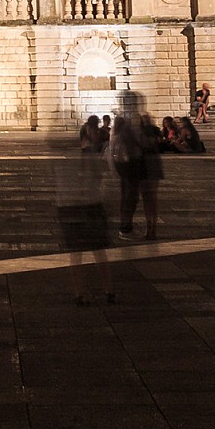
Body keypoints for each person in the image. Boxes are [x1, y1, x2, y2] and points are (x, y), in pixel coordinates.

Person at [53, 122, 116, 304]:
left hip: (70, 208)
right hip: (91, 207)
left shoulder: (62, 162)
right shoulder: (94, 158)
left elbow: (61, 187)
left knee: (76, 254)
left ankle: (79, 293)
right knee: (98, 252)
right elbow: (102, 183)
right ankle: (108, 290)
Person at [109, 92, 162, 239]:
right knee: (137, 196)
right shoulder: (141, 118)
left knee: (132, 196)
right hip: (135, 162)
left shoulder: (128, 119)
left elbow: (113, 144)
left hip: (133, 162)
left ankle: (130, 228)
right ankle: (130, 229)